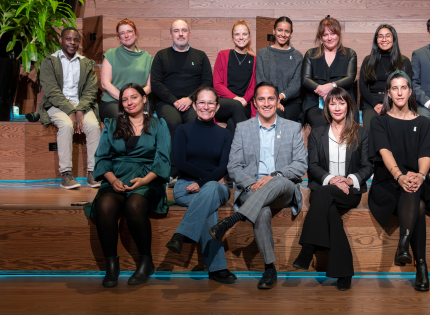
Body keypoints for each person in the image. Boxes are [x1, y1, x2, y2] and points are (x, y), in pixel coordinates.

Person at [208, 81, 307, 290]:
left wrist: (275, 176)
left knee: (278, 179)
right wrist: (253, 184)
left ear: (278, 100)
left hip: (283, 188)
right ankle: (270, 268)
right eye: (261, 99)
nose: (266, 103)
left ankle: (231, 221)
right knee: (261, 212)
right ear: (254, 103)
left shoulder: (292, 127)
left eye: (271, 98)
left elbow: (300, 165)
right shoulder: (243, 129)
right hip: (250, 187)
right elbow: (234, 166)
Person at [85, 83, 171, 287]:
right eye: (124, 99)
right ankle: (111, 265)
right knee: (104, 205)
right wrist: (113, 180)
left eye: (133, 97)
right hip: (116, 177)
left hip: (148, 178)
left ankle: (145, 261)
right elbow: (102, 158)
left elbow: (163, 159)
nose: (129, 102)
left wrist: (144, 180)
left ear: (143, 99)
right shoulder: (112, 125)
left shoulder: (159, 125)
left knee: (134, 205)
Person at [292, 87, 373, 291]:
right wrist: (331, 179)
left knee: (323, 194)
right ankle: (343, 271)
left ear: (349, 106)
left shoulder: (361, 132)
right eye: (332, 103)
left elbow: (368, 166)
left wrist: (348, 180)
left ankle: (308, 249)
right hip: (325, 187)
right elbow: (313, 165)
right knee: (329, 210)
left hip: (349, 192)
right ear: (327, 107)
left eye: (342, 102)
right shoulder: (317, 133)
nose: (337, 107)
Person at [368, 71, 430, 292]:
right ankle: (421, 266)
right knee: (418, 203)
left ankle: (404, 246)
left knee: (414, 190)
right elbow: (385, 152)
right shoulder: (379, 120)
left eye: (403, 87)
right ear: (388, 92)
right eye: (394, 88)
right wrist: (400, 175)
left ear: (410, 91)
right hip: (388, 182)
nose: (399, 92)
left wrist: (421, 175)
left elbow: (425, 155)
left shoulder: (424, 122)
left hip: (415, 181)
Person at [164, 87, 236, 284]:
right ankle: (217, 269)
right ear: (194, 106)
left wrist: (203, 183)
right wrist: (205, 180)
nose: (206, 107)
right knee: (209, 208)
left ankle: (181, 234)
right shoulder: (183, 130)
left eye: (210, 103)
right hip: (185, 186)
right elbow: (181, 163)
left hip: (216, 187)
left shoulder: (224, 134)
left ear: (217, 106)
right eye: (201, 103)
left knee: (211, 189)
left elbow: (223, 167)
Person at [36, 27, 101, 189]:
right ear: (61, 40)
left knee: (93, 126)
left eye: (76, 40)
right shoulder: (49, 61)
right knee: (66, 125)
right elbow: (51, 91)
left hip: (82, 105)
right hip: (56, 105)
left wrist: (79, 110)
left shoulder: (85, 63)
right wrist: (71, 111)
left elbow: (91, 90)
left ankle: (93, 173)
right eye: (68, 39)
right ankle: (66, 174)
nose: (72, 43)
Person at [151, 19, 213, 181]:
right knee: (174, 123)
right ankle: (174, 170)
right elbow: (156, 84)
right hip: (167, 102)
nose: (180, 34)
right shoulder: (161, 55)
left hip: (194, 102)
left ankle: (194, 168)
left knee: (195, 121)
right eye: (176, 31)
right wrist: (174, 100)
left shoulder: (200, 56)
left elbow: (207, 82)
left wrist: (190, 99)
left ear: (189, 34)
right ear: (171, 34)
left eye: (184, 30)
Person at [302, 16, 357, 129]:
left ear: (338, 34)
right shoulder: (311, 54)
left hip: (343, 103)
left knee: (346, 125)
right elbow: (305, 79)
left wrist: (330, 87)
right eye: (325, 35)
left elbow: (350, 79)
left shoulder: (350, 54)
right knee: (322, 124)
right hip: (316, 104)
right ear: (321, 37)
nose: (329, 38)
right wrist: (322, 91)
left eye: (333, 34)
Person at [359, 24, 413, 130]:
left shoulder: (404, 61)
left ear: (393, 38)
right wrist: (375, 105)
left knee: (396, 129)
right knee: (370, 129)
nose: (384, 39)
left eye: (388, 36)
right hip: (372, 103)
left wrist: (391, 105)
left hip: (397, 102)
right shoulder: (368, 60)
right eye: (380, 36)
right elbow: (362, 86)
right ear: (376, 39)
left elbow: (408, 88)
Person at [99, 18, 153, 120]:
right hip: (113, 101)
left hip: (139, 102)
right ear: (119, 37)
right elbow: (105, 83)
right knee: (123, 118)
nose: (126, 35)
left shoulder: (147, 57)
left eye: (129, 31)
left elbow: (149, 86)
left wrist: (134, 99)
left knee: (145, 119)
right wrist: (125, 99)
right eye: (122, 33)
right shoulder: (111, 54)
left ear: (136, 33)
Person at [213, 20, 257, 138]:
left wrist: (243, 100)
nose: (241, 37)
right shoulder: (223, 55)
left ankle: (229, 156)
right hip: (223, 103)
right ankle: (251, 144)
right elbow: (217, 84)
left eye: (244, 34)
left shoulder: (254, 60)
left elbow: (253, 87)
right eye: (237, 34)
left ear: (249, 37)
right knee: (235, 106)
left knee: (233, 124)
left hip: (244, 105)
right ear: (232, 38)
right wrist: (236, 99)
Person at [255, 16, 303, 122]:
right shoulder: (262, 53)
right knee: (277, 115)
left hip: (292, 102)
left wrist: (280, 97)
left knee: (287, 122)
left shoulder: (297, 56)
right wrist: (273, 99)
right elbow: (261, 80)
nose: (283, 34)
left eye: (287, 31)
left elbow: (296, 84)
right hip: (268, 100)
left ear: (291, 33)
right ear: (274, 31)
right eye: (279, 30)